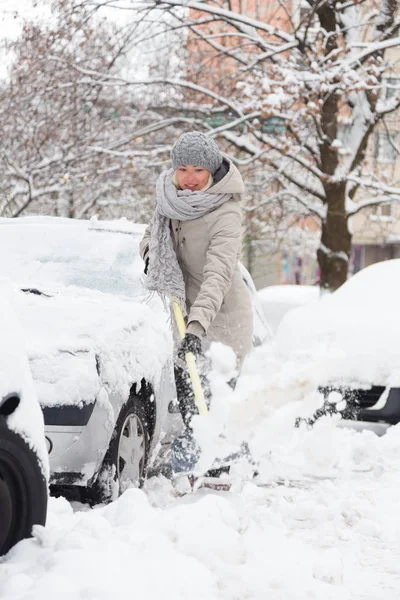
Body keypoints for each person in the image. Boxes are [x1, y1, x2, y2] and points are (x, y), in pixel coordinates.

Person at [139, 131, 253, 425]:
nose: (190, 178)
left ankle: (220, 469)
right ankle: (194, 469)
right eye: (183, 169)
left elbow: (219, 275)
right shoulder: (169, 201)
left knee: (214, 417)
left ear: (211, 170)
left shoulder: (225, 212)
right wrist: (151, 254)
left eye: (199, 170)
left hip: (222, 322)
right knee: (190, 414)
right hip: (185, 318)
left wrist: (196, 328)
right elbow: (151, 235)